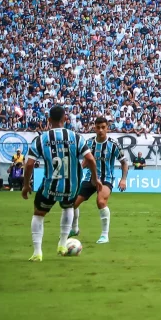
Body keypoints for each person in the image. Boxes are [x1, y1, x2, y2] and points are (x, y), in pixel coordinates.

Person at [21, 105, 100, 261]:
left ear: (49, 120)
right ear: (65, 119)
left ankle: (37, 252)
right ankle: (63, 244)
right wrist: (94, 178)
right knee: (68, 207)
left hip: (50, 186)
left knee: (38, 214)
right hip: (71, 186)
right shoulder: (76, 137)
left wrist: (26, 184)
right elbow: (90, 159)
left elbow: (29, 164)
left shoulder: (41, 139)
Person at [70, 116, 128, 244]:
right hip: (90, 178)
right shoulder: (89, 143)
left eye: (103, 127)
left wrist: (123, 179)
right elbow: (86, 161)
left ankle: (104, 235)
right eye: (98, 127)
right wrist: (77, 170)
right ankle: (74, 229)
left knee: (100, 201)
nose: (101, 130)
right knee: (72, 203)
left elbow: (124, 162)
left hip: (106, 178)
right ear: (94, 128)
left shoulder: (113, 144)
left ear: (107, 128)